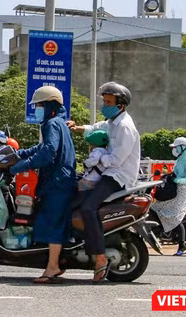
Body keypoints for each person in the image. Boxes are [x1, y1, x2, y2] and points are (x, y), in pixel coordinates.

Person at [66, 81, 141, 282]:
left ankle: (100, 258)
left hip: (117, 176)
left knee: (89, 207)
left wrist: (97, 158)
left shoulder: (125, 127)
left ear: (120, 105)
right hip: (104, 172)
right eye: (104, 101)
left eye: (108, 102)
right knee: (71, 197)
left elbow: (116, 160)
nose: (104, 105)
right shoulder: (111, 122)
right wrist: (75, 127)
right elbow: (94, 128)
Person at [5, 86, 77, 284]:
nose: (36, 109)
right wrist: (19, 154)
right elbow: (41, 147)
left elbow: (48, 153)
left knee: (51, 223)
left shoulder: (51, 124)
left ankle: (52, 267)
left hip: (57, 184)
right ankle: (55, 262)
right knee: (49, 221)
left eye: (38, 105)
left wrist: (21, 166)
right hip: (61, 182)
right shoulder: (59, 123)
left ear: (48, 105)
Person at [151, 137, 186, 256]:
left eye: (176, 147)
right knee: (156, 207)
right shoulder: (179, 160)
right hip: (175, 190)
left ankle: (182, 245)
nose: (174, 150)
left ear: (183, 148)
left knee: (174, 217)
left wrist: (177, 179)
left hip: (182, 192)